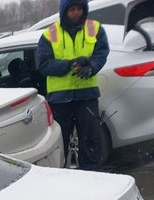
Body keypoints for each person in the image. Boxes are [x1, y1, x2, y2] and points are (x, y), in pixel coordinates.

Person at [37, 0, 109, 170]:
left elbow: (101, 54)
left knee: (90, 140)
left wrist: (91, 67)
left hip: (87, 96)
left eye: (79, 8)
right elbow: (44, 65)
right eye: (72, 9)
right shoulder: (49, 34)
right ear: (64, 11)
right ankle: (63, 175)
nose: (76, 12)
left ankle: (91, 173)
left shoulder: (95, 28)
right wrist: (69, 64)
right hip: (60, 100)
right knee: (59, 143)